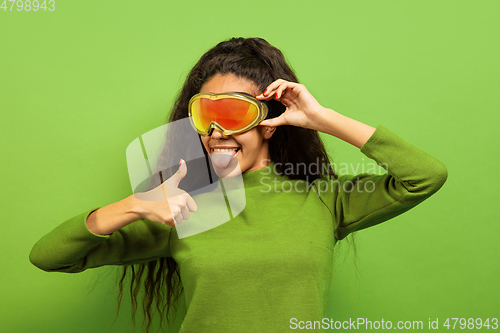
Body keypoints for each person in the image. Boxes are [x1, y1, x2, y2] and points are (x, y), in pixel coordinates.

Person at [29, 37, 448, 333]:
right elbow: (48, 257)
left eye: (232, 114)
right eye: (205, 116)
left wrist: (322, 117)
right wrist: (134, 204)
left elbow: (424, 176)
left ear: (269, 121)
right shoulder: (179, 208)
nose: (215, 132)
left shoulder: (323, 199)